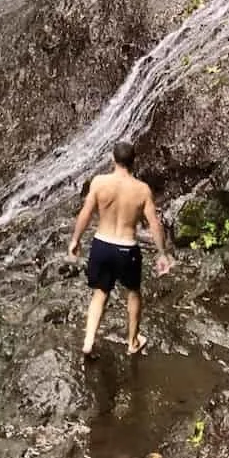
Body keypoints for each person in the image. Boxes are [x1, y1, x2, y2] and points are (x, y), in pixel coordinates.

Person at [67, 140, 172, 359]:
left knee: (100, 292)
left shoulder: (99, 182)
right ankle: (133, 342)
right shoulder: (142, 190)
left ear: (112, 159)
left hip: (101, 243)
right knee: (133, 293)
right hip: (127, 248)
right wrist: (162, 253)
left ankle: (88, 342)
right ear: (134, 161)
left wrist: (75, 240)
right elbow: (154, 223)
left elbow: (86, 213)